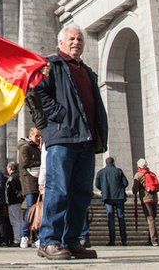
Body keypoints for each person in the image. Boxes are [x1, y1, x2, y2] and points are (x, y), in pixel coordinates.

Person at [35, 24, 108, 261]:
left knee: (81, 193)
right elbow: (36, 92)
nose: (76, 42)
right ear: (61, 43)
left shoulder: (87, 71)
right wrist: (59, 115)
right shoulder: (51, 64)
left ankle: (71, 240)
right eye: (71, 39)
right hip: (63, 138)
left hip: (86, 139)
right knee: (59, 189)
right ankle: (49, 241)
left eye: (79, 39)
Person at [17, 127, 41, 248]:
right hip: (29, 183)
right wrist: (40, 164)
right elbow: (24, 163)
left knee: (37, 211)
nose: (39, 138)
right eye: (37, 136)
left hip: (37, 183)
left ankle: (36, 236)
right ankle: (25, 236)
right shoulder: (25, 147)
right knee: (30, 210)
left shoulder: (37, 149)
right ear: (30, 135)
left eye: (40, 136)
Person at [95, 157, 128, 246]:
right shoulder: (118, 171)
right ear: (113, 162)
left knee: (110, 218)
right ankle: (124, 240)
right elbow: (125, 183)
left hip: (108, 197)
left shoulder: (101, 172)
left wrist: (104, 189)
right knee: (121, 217)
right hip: (119, 197)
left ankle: (112, 240)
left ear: (106, 162)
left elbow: (97, 185)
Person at [132, 158, 159, 246]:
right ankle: (150, 239)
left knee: (150, 218)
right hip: (154, 198)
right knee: (152, 218)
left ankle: (154, 240)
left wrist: (135, 191)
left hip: (146, 199)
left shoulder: (138, 175)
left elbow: (135, 188)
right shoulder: (152, 174)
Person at [5, 161, 23, 246]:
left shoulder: (11, 178)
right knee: (20, 220)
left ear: (10, 168)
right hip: (19, 201)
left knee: (15, 221)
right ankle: (22, 238)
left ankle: (17, 240)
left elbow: (11, 190)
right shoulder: (19, 176)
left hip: (13, 202)